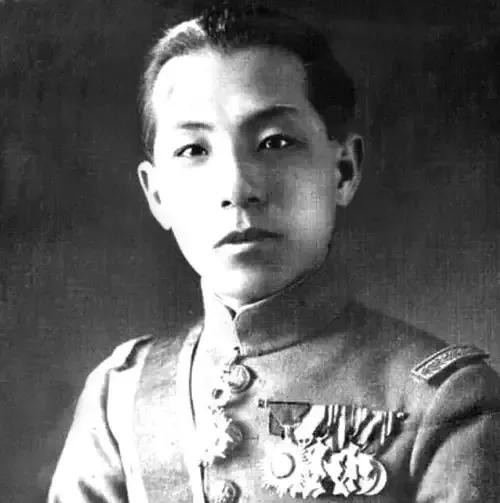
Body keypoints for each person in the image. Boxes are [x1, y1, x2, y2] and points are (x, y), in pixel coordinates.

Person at [48, 3, 500, 502]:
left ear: (343, 171)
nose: (237, 188)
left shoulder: (444, 402)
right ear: (157, 195)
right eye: (194, 150)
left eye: (275, 142)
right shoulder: (120, 396)